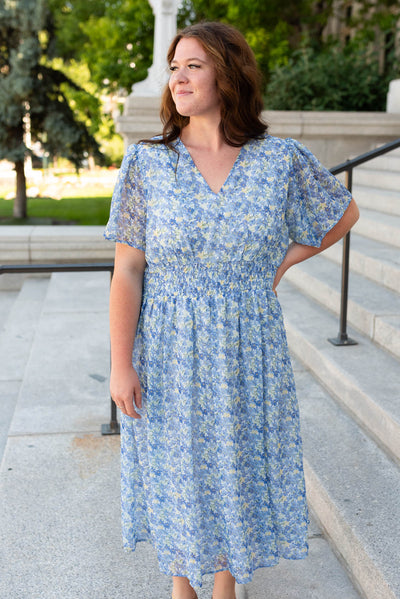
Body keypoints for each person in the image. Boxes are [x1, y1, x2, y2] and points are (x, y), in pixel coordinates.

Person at [104, 21, 359, 599]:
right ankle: (181, 587)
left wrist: (280, 263)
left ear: (228, 70)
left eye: (193, 64)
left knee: (234, 462)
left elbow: (342, 214)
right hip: (167, 342)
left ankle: (224, 585)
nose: (178, 78)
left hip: (248, 341)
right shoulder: (148, 163)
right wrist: (121, 363)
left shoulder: (279, 160)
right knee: (177, 468)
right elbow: (128, 269)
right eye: (174, 67)